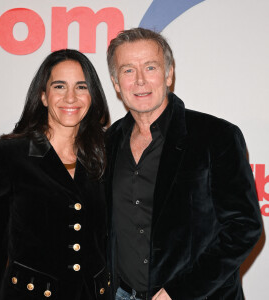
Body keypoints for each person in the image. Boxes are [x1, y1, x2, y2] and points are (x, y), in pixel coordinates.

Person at [105, 28, 262, 300]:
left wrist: (180, 292)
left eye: (150, 67)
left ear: (168, 74)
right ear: (116, 82)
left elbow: (243, 228)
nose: (140, 80)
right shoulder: (107, 143)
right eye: (128, 70)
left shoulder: (216, 137)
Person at [0, 49, 110, 300]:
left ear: (92, 96)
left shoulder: (104, 154)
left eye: (81, 87)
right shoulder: (8, 155)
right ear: (44, 96)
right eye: (59, 86)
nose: (71, 97)